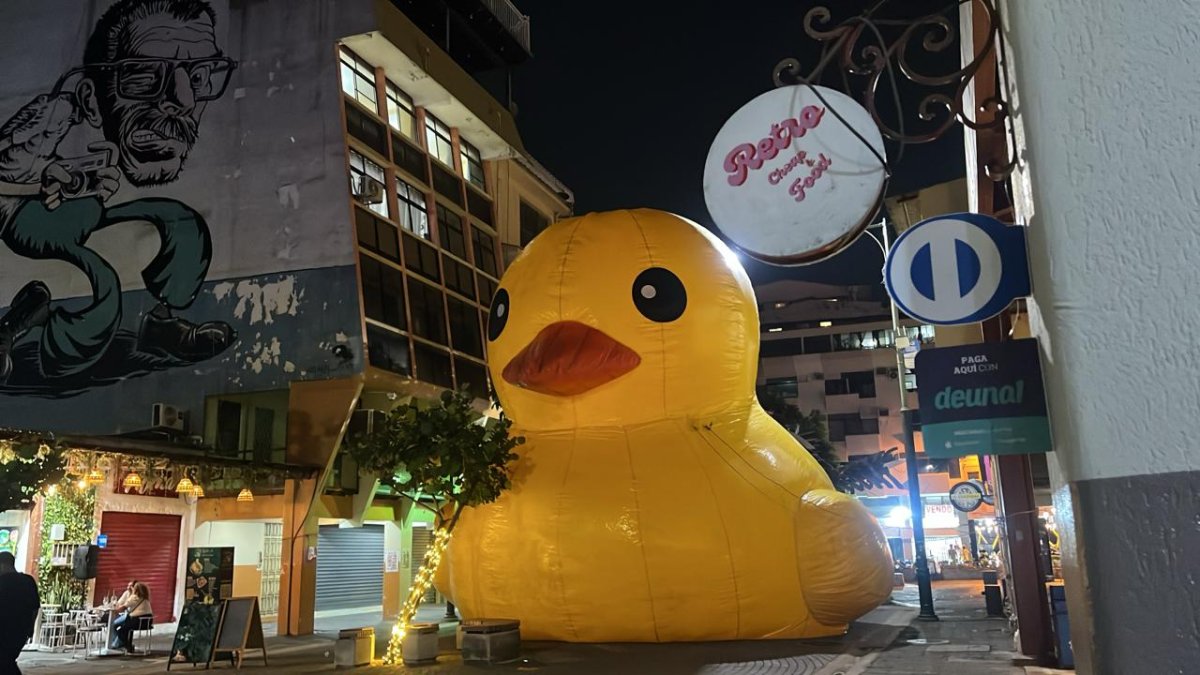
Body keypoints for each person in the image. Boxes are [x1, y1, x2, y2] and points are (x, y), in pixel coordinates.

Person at [0, 551, 39, 675]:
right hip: (20, 631)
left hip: (3, 630)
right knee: (7, 660)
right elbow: (35, 607)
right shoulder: (28, 581)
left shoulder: (2, 582)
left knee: (5, 662)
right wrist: (31, 627)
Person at [110, 581, 152, 653]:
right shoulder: (145, 598)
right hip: (147, 621)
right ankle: (125, 645)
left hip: (137, 621)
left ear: (135, 589)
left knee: (122, 629)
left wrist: (113, 611)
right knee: (124, 626)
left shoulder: (135, 597)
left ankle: (124, 645)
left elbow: (123, 607)